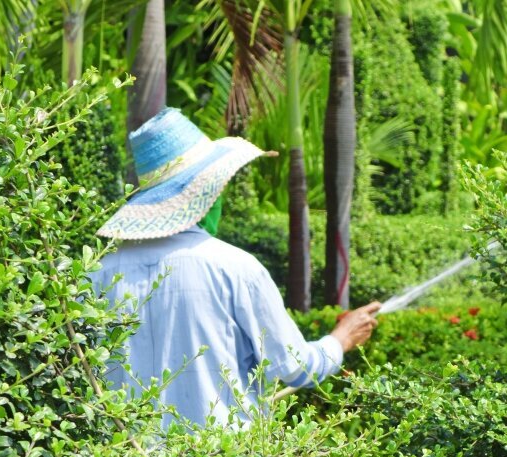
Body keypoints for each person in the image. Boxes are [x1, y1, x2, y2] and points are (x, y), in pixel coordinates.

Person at [90, 108, 380, 428]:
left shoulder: (97, 273)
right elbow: (296, 368)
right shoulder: (235, 269)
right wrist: (341, 338)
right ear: (207, 192)